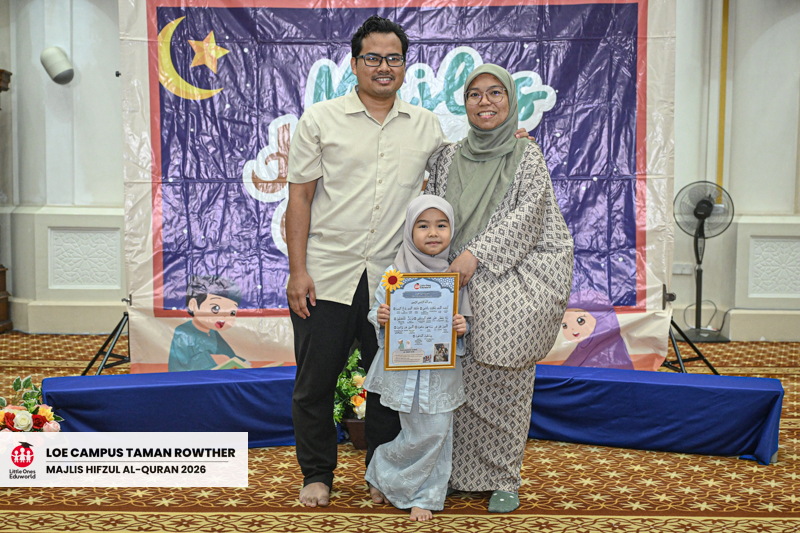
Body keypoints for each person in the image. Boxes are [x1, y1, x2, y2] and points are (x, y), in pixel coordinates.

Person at [286, 16, 530, 508]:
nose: (383, 67)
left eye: (393, 58)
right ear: (355, 63)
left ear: (404, 65)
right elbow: (300, 199)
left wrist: (507, 139)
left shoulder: (425, 125)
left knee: (390, 388)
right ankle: (317, 474)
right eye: (373, 58)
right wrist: (297, 271)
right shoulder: (320, 119)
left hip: (399, 281)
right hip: (327, 273)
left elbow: (460, 163)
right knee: (315, 382)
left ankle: (384, 477)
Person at [424, 64, 574, 513]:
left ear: (510, 100)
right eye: (475, 94)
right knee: (453, 384)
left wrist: (475, 255)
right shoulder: (446, 157)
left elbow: (528, 216)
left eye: (495, 93)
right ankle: (453, 473)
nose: (485, 102)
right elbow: (432, 212)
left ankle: (503, 478)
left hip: (512, 280)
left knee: (504, 386)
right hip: (453, 280)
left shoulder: (527, 155)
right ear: (464, 103)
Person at [363, 195, 469, 522]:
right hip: (404, 370)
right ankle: (395, 480)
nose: (433, 233)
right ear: (410, 230)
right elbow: (376, 310)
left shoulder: (454, 274)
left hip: (440, 372)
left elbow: (462, 319)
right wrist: (380, 316)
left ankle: (418, 490)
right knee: (413, 434)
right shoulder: (395, 274)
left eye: (441, 225)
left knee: (438, 432)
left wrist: (461, 327)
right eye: (423, 225)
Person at [168, 276, 247, 372]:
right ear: (193, 305)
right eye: (215, 308)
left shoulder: (212, 332)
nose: (223, 316)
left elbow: (228, 355)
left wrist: (244, 363)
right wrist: (211, 359)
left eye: (232, 312)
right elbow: (179, 366)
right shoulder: (183, 332)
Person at [560, 290, 634, 369]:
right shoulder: (581, 348)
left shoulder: (611, 354)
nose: (572, 328)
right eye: (565, 325)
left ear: (600, 319)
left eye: (580, 321)